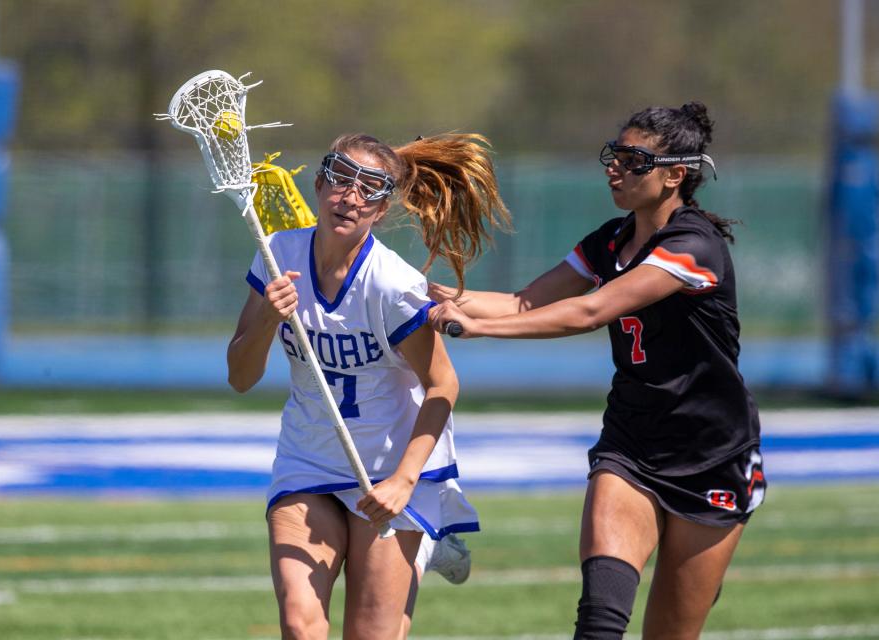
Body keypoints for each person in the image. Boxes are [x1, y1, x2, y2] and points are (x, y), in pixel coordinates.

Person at [428, 102, 767, 639]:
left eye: (634, 160)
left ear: (675, 174)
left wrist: (478, 329)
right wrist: (427, 297)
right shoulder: (610, 239)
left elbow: (589, 311)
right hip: (631, 446)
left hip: (712, 457)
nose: (615, 168)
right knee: (598, 626)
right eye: (615, 154)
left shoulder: (692, 246)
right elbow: (523, 302)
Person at [227, 132, 508, 638]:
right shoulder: (277, 255)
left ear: (381, 211)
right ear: (318, 184)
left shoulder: (392, 285)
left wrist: (402, 482)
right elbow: (240, 376)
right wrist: (269, 316)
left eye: (369, 188)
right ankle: (422, 547)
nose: (349, 196)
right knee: (300, 623)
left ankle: (422, 543)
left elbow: (443, 386)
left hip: (388, 472)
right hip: (308, 460)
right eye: (340, 178)